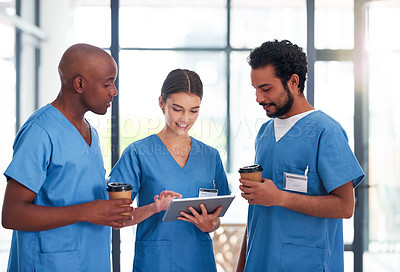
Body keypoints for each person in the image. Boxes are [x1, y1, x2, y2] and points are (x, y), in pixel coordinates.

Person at [1, 43, 134, 272]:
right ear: (79, 84)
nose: (114, 91)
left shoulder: (90, 131)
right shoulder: (40, 132)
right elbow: (12, 214)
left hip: (92, 260)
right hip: (50, 264)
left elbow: (72, 188)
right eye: (107, 83)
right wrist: (87, 211)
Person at [236, 39, 365, 272]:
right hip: (260, 262)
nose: (258, 98)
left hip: (307, 263)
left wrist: (280, 197)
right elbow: (258, 209)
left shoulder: (326, 132)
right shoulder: (265, 132)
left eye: (266, 89)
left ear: (293, 82)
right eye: (255, 89)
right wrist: (242, 266)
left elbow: (346, 207)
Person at [109, 68, 231, 272]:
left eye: (194, 110)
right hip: (156, 263)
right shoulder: (138, 153)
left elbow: (217, 218)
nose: (185, 118)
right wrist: (154, 208)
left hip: (199, 262)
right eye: (177, 108)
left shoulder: (210, 156)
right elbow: (116, 220)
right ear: (161, 103)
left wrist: (209, 225)